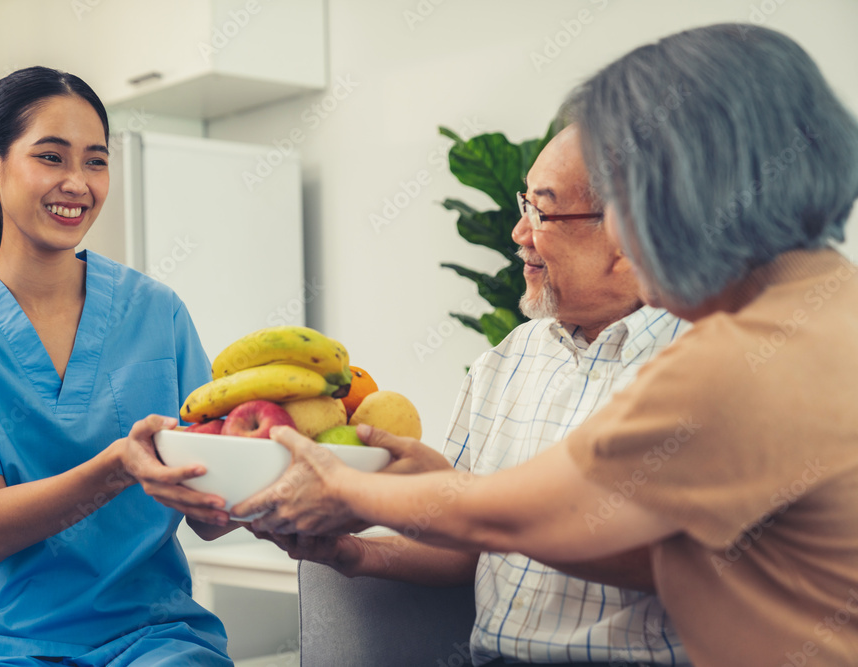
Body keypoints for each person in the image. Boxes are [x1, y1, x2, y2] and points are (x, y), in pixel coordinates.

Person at [233, 24, 858, 667]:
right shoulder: (824, 308)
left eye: (627, 195)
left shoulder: (739, 357)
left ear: (686, 192)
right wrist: (418, 505)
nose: (621, 230)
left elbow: (535, 514)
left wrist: (340, 485)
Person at [256, 125, 691, 666]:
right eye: (524, 204)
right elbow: (469, 552)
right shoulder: (507, 361)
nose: (518, 232)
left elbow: (674, 560)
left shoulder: (702, 364)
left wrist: (385, 495)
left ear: (629, 235)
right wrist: (352, 551)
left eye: (542, 213)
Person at [0, 66, 235, 666]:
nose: (78, 183)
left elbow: (210, 514)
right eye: (52, 157)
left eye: (96, 162)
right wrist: (119, 467)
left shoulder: (157, 311)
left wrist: (283, 474)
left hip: (151, 634)